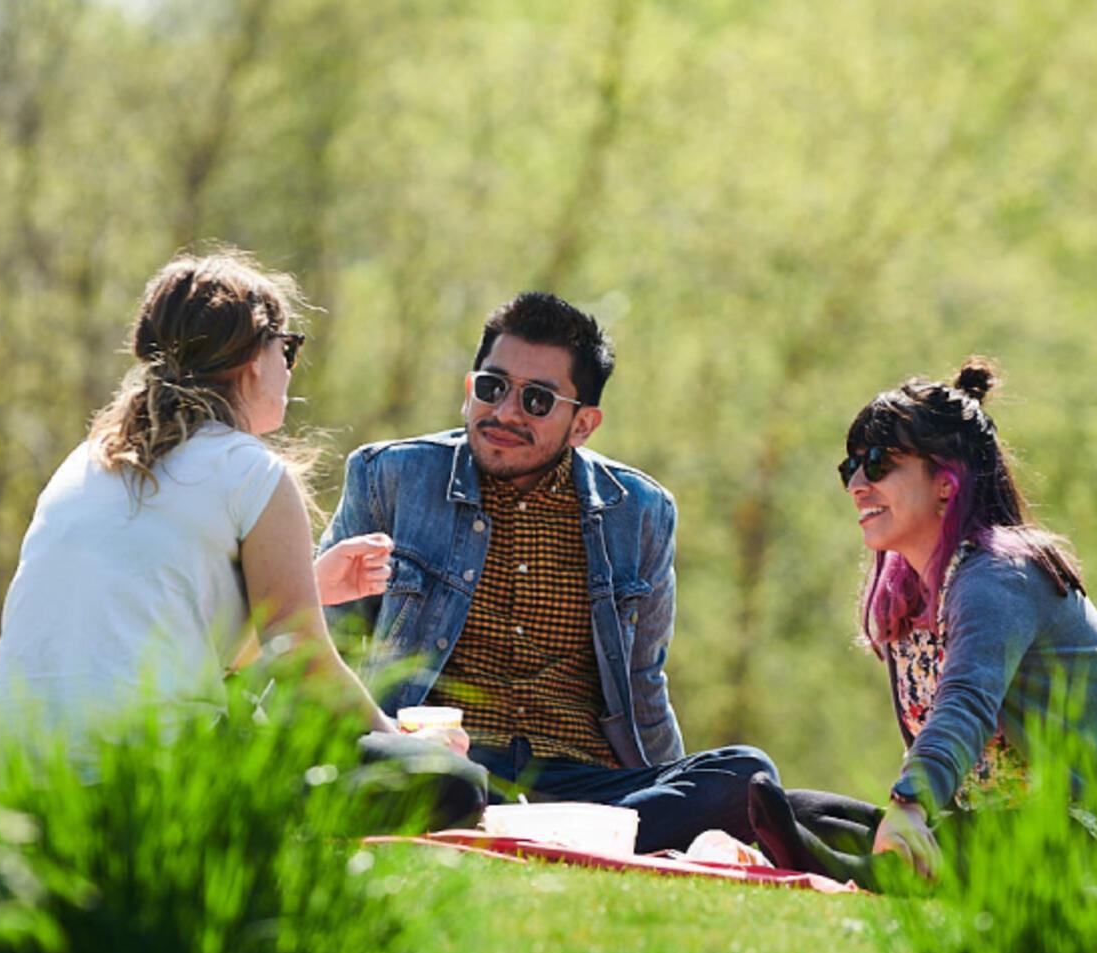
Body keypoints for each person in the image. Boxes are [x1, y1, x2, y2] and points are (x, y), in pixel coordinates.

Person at [0, 250, 483, 825]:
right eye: (287, 348)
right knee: (454, 784)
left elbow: (166, 634)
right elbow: (304, 666)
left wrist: (312, 585)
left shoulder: (88, 460)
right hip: (147, 789)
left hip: (11, 777)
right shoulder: (253, 473)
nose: (291, 367)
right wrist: (407, 743)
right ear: (252, 358)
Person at [320, 292, 778, 853]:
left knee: (745, 775)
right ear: (469, 390)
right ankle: (565, 837)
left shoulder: (640, 511)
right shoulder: (389, 476)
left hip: (586, 779)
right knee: (432, 784)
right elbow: (321, 637)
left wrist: (678, 787)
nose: (506, 412)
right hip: (445, 764)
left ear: (583, 423)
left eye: (537, 400)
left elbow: (642, 683)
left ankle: (533, 832)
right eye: (492, 387)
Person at [747, 358, 1097, 887]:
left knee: (987, 842)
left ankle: (864, 872)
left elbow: (966, 703)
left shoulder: (1000, 574)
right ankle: (862, 861)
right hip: (983, 824)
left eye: (879, 463)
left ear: (946, 482)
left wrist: (909, 802)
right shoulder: (910, 595)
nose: (857, 484)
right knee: (809, 811)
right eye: (850, 467)